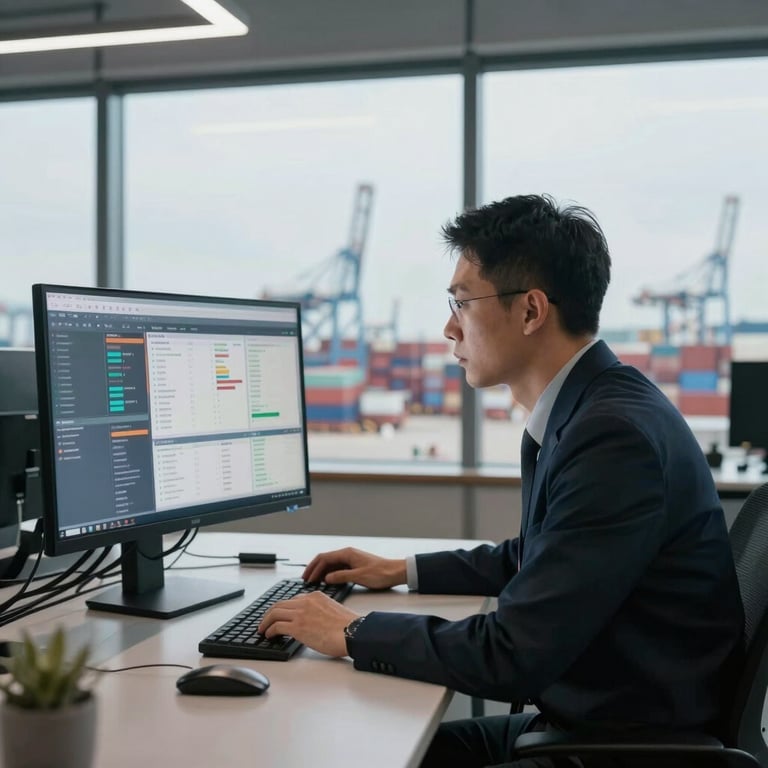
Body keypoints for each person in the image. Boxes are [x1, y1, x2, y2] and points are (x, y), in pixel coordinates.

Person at [259, 194, 745, 767]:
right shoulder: (591, 408)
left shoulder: (613, 438)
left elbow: (513, 653)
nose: (447, 327)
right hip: (596, 720)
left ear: (532, 311)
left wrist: (354, 632)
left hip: (624, 748)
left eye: (462, 302)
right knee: (380, 747)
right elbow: (543, 555)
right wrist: (401, 570)